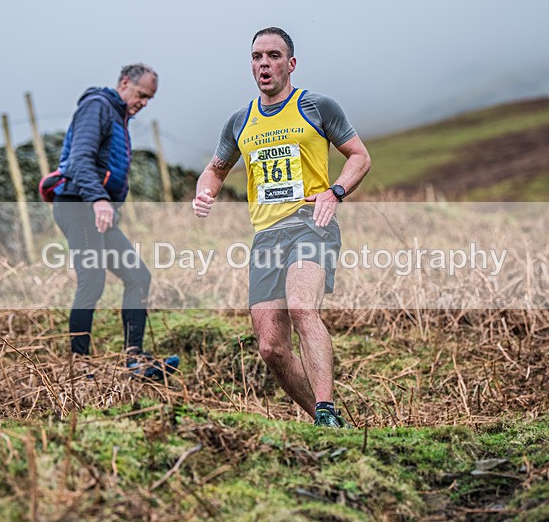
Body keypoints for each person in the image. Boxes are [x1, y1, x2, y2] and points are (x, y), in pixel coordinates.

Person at [193, 28, 371, 427]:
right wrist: (205, 193)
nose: (264, 64)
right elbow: (215, 169)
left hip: (312, 223)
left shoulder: (317, 106)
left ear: (290, 64)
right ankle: (326, 424)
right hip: (266, 236)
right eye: (257, 57)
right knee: (271, 348)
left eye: (273, 56)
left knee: (302, 306)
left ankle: (325, 408)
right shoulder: (240, 121)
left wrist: (335, 192)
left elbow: (360, 156)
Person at [52, 63, 178, 379]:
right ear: (124, 83)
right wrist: (98, 200)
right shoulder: (97, 107)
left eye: (150, 99)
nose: (144, 103)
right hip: (78, 205)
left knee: (138, 276)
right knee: (92, 281)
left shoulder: (118, 117)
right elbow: (79, 161)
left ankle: (134, 361)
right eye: (141, 95)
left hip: (93, 208)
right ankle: (78, 368)